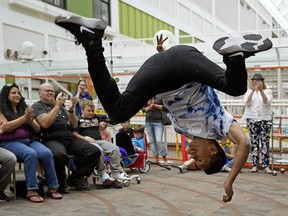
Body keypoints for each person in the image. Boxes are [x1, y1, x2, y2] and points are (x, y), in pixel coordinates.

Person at [54, 15, 273, 202]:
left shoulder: (183, 131)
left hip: (159, 69)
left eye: (195, 160)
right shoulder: (219, 125)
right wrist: (229, 181)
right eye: (200, 159)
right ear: (214, 150)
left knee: (118, 112)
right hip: (185, 65)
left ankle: (92, 41)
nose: (194, 157)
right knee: (234, 89)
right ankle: (234, 57)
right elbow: (244, 143)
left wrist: (163, 52)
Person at [31, 83, 101, 193]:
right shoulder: (37, 106)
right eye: (47, 91)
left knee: (94, 151)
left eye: (52, 91)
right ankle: (61, 180)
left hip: (69, 139)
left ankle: (76, 177)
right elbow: (44, 123)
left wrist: (71, 110)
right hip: (52, 139)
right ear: (40, 93)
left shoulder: (61, 107)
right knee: (58, 155)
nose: (50, 93)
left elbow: (74, 125)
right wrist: (57, 106)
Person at [0, 83, 62, 203]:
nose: (17, 95)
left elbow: (38, 129)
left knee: (47, 153)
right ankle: (31, 190)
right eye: (13, 93)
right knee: (30, 154)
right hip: (10, 142)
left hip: (29, 140)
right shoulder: (1, 110)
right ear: (5, 95)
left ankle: (53, 187)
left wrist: (31, 120)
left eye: (18, 93)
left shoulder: (24, 107)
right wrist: (24, 118)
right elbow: (6, 127)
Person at [72, 99, 127, 181]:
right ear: (82, 110)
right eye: (88, 111)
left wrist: (103, 125)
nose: (91, 113)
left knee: (115, 149)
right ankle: (102, 172)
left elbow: (107, 122)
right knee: (98, 150)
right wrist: (86, 139)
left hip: (99, 140)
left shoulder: (96, 118)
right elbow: (74, 133)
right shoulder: (78, 120)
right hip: (87, 142)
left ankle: (115, 173)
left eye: (92, 111)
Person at [243, 73, 273, 174]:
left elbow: (267, 102)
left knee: (265, 142)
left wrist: (260, 90)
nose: (257, 82)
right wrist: (252, 90)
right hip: (252, 119)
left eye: (259, 80)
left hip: (265, 119)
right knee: (254, 142)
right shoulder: (248, 91)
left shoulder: (268, 91)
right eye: (255, 80)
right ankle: (255, 165)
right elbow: (247, 102)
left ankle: (266, 165)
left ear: (262, 82)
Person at [142, 97, 168, 165]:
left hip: (158, 122)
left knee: (159, 140)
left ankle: (164, 159)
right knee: (152, 141)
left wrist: (155, 105)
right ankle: (156, 159)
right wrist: (149, 108)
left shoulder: (160, 97)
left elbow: (165, 107)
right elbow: (143, 109)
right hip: (148, 122)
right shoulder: (146, 97)